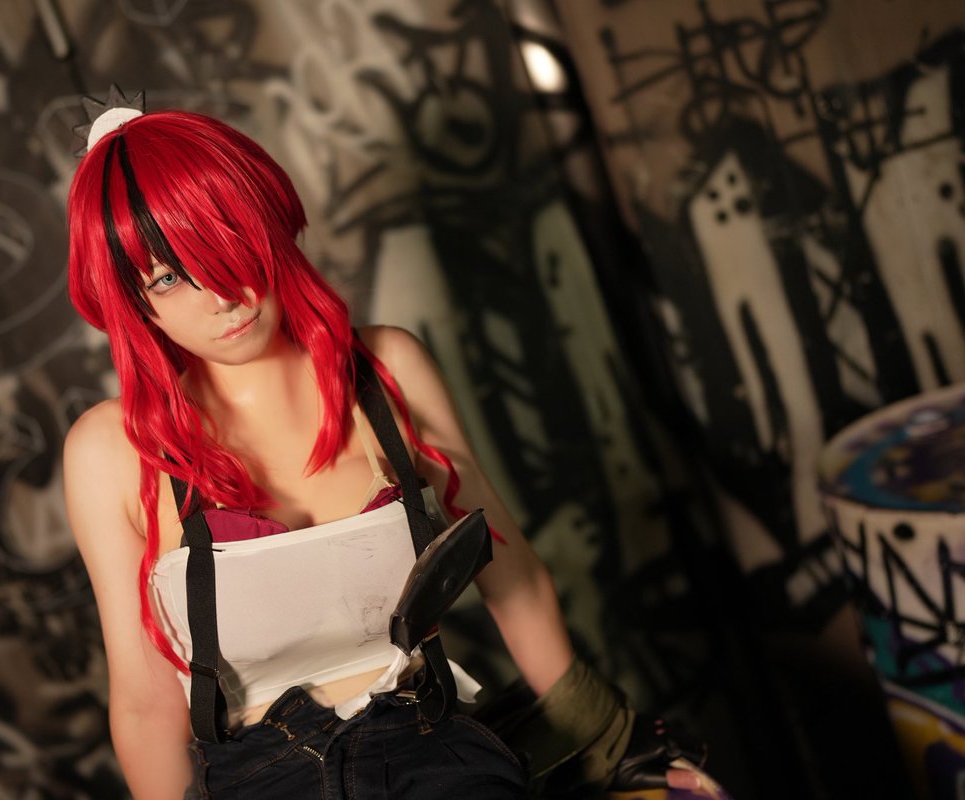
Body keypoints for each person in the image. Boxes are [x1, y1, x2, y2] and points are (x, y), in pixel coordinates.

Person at [62, 98, 706, 799]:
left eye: (226, 242)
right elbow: (146, 702)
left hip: (433, 757)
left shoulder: (388, 373)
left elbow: (515, 580)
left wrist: (611, 743)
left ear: (267, 221)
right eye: (166, 277)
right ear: (135, 304)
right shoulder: (113, 450)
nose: (218, 294)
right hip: (262, 781)